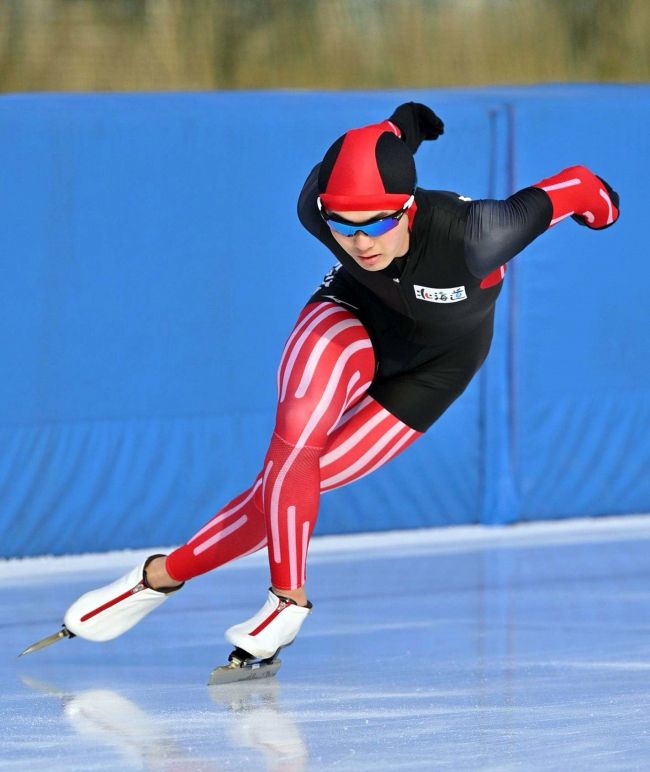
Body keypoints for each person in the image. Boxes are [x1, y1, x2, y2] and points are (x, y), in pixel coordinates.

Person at [47, 102, 620, 665]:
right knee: (293, 444)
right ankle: (286, 599)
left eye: (379, 222)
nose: (361, 242)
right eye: (346, 224)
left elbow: (578, 186)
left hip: (436, 367)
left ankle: (155, 579)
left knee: (297, 483)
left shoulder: (479, 235)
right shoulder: (313, 208)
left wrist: (605, 210)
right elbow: (372, 151)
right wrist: (404, 125)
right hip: (353, 313)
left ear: (408, 208)